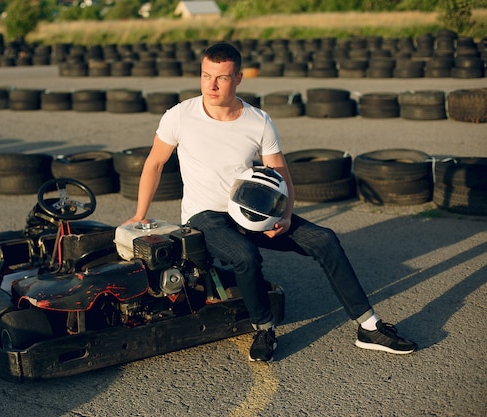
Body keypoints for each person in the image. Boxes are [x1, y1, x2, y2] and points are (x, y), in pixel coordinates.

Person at [122, 42, 417, 362]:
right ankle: (264, 329)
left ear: (238, 78)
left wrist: (287, 216)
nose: (212, 85)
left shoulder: (258, 120)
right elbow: (154, 164)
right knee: (245, 256)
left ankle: (369, 327)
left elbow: (280, 170)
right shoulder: (180, 116)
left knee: (325, 240)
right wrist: (140, 215)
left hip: (252, 209)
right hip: (204, 215)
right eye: (206, 76)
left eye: (221, 78)